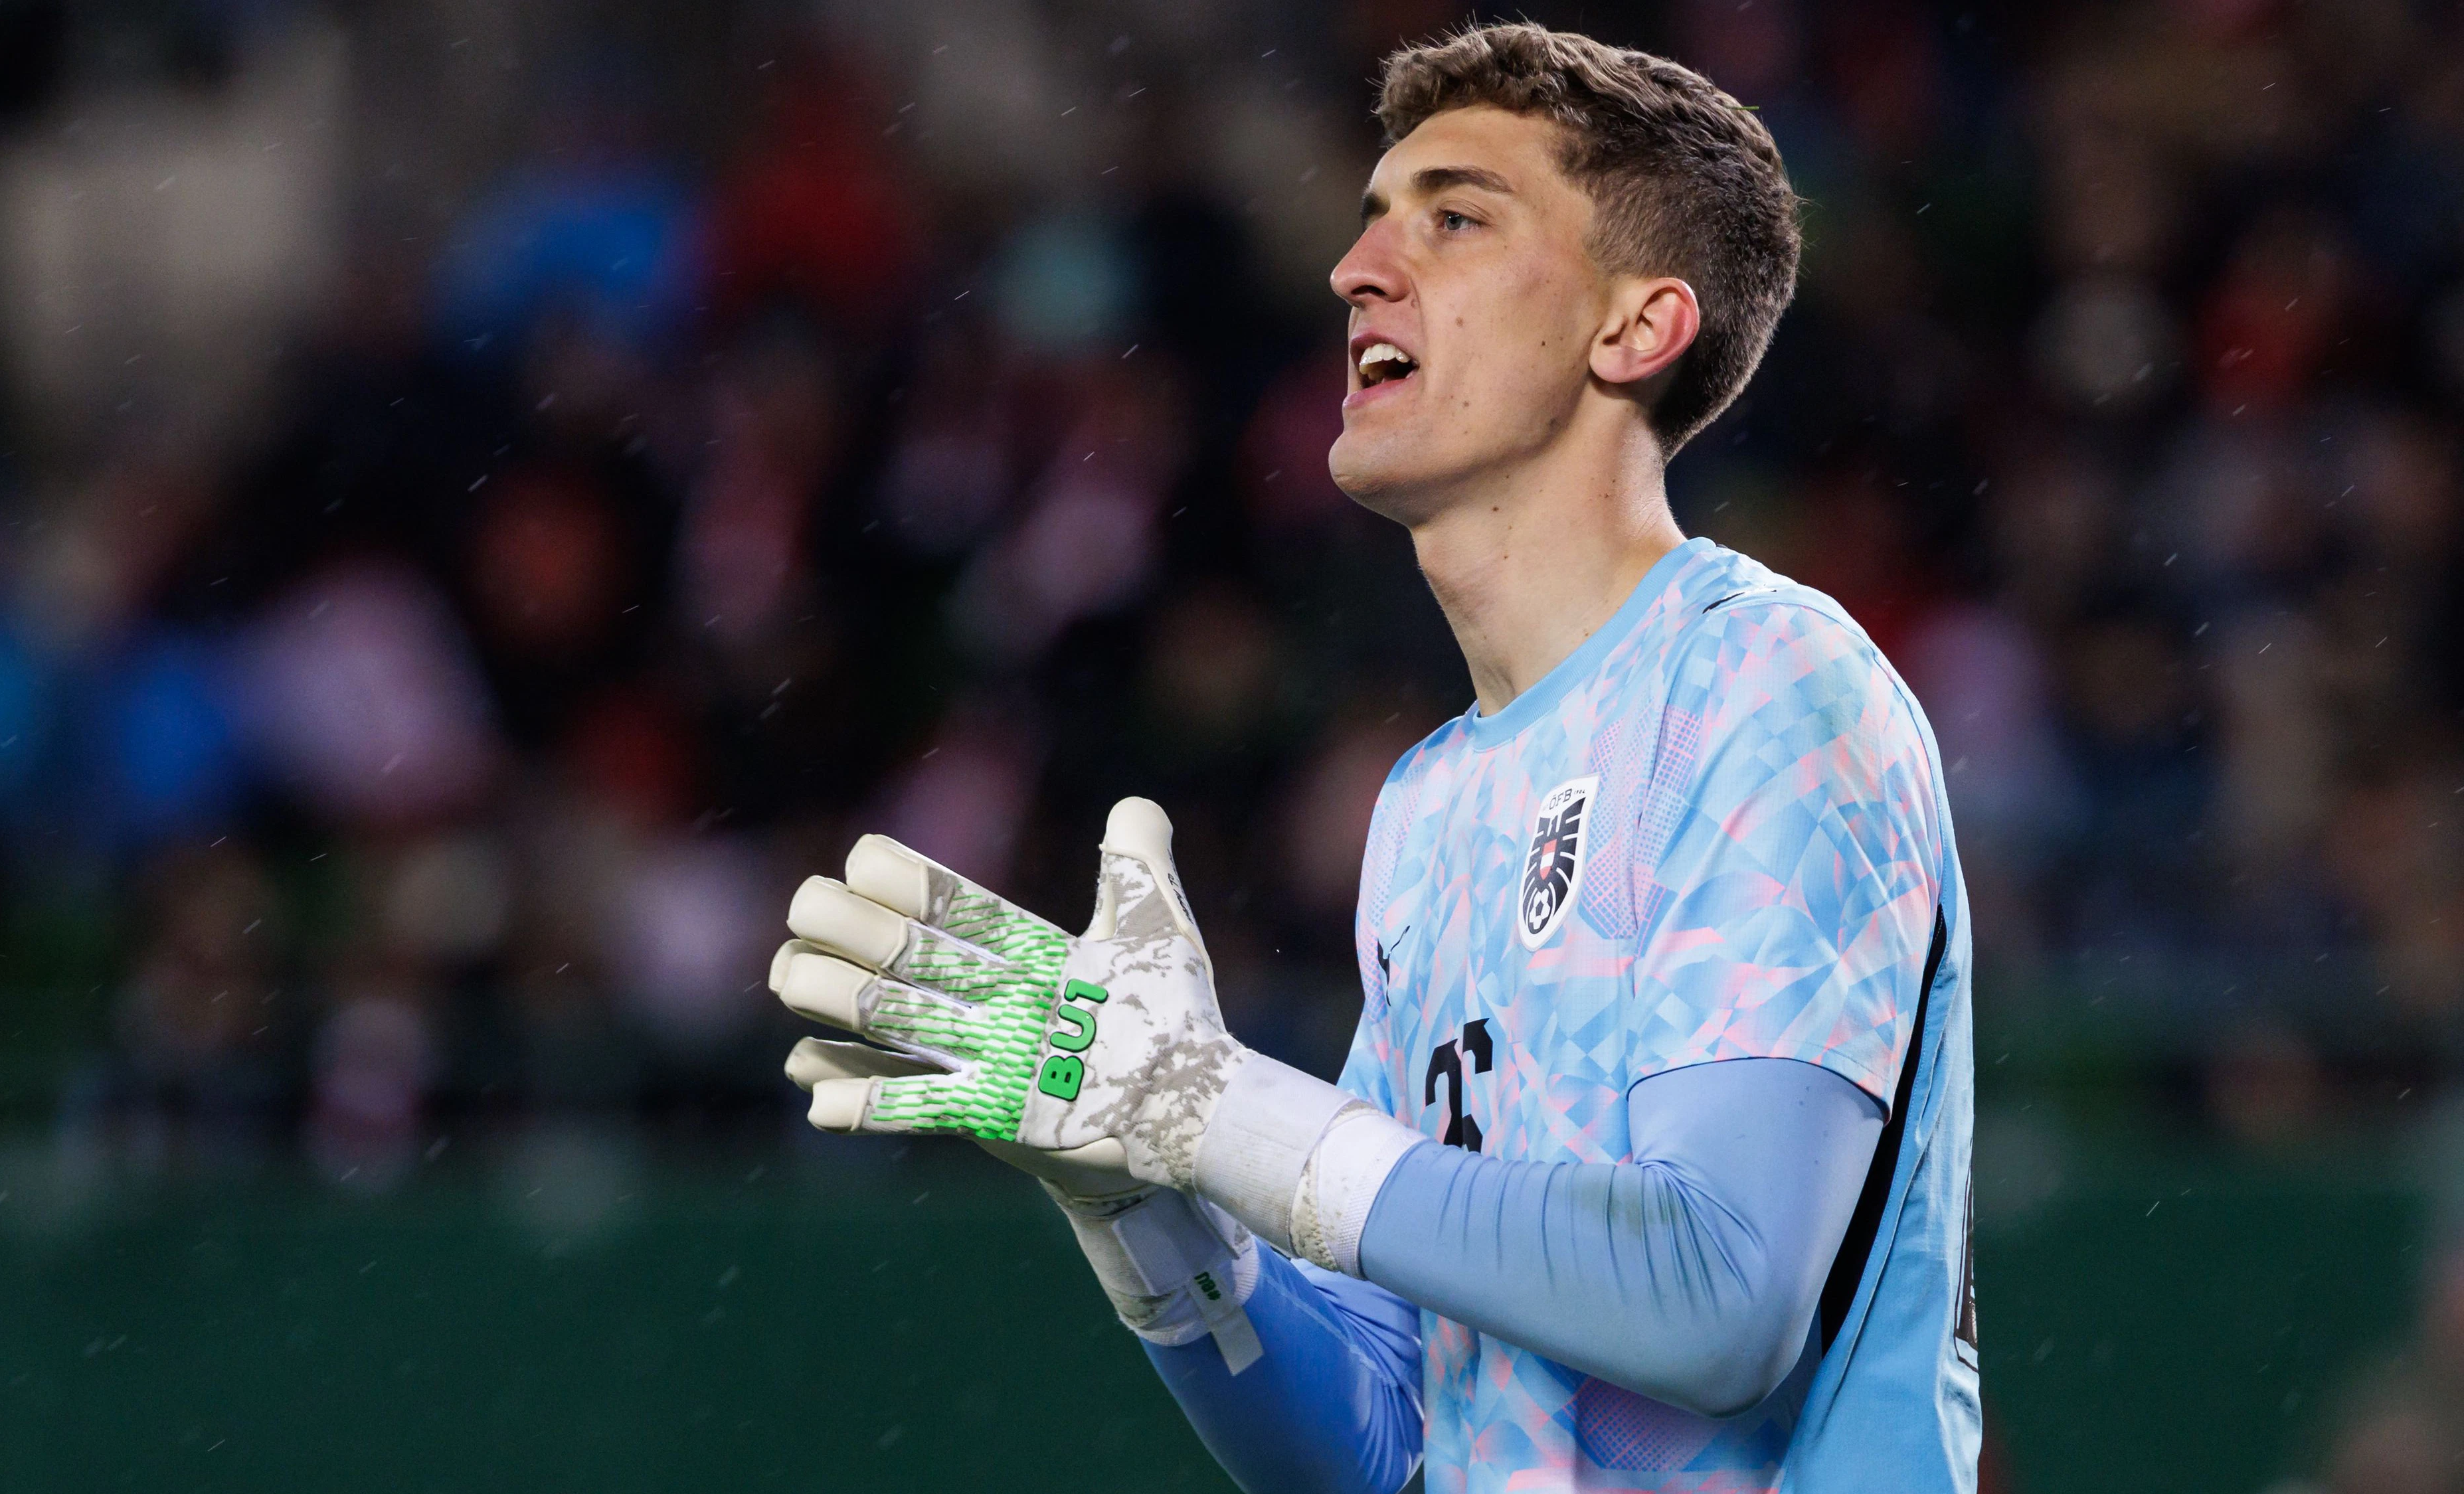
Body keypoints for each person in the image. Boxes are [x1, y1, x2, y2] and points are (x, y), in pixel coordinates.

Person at [771, 21, 1976, 1492]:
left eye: (1454, 219)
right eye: (1368, 224)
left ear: (1632, 329)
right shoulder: (1428, 806)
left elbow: (1717, 1300)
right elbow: (1387, 1443)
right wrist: (1146, 1206)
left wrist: (1214, 1107)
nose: (1355, 271)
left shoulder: (1766, 682)